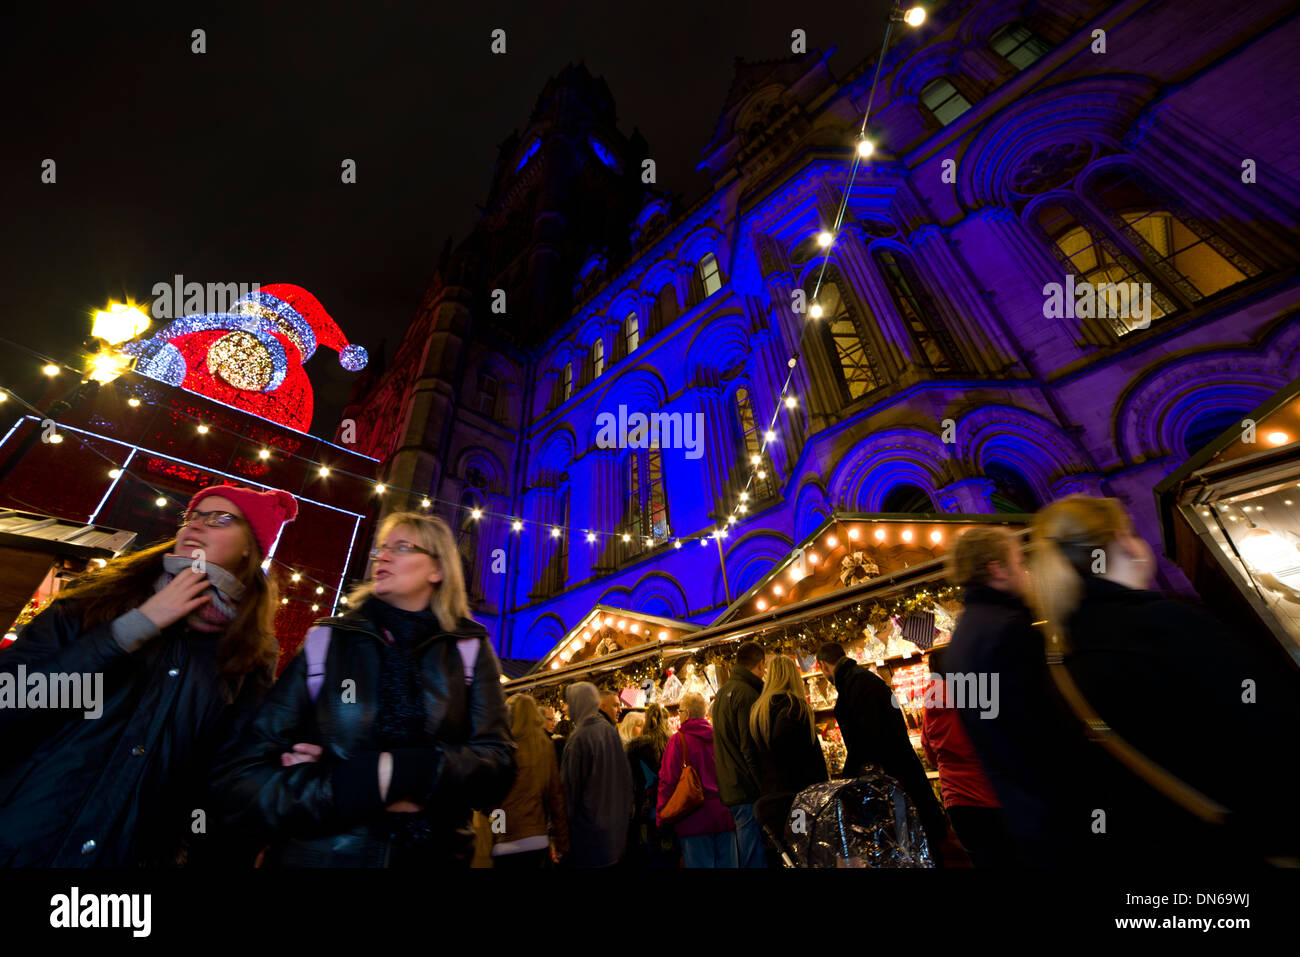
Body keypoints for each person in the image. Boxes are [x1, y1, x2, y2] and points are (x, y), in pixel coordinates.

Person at [0, 484, 294, 867]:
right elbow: (16, 700)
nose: (197, 525)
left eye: (221, 518)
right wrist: (135, 627)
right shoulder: (96, 601)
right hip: (22, 840)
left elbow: (219, 783)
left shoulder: (248, 656)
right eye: (193, 516)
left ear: (249, 548)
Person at [211, 511, 516, 867]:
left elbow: (498, 766)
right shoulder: (328, 640)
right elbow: (242, 778)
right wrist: (346, 786)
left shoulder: (469, 648)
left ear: (438, 569)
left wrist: (410, 771)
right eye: (380, 549)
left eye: (401, 547)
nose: (382, 556)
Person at [1029, 495, 1300, 864]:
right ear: (1124, 542)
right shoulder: (1168, 624)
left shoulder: (1064, 662)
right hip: (1253, 840)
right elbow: (1272, 730)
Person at [943, 525, 1090, 867]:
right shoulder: (1009, 628)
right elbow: (1046, 728)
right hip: (1058, 809)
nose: (1024, 571)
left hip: (1019, 812)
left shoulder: (960, 641)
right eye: (1017, 561)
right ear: (996, 568)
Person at [816, 642, 948, 854]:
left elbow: (864, 743)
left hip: (892, 782)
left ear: (822, 665)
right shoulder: (864, 680)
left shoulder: (852, 687)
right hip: (904, 774)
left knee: (911, 848)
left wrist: (846, 781)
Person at [920, 642, 1013, 868]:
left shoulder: (929, 705)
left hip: (957, 802)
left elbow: (929, 753)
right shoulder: (975, 694)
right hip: (990, 795)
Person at [489, 694, 569, 869]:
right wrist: (561, 842)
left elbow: (494, 802)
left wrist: (499, 832)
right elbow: (555, 797)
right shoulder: (544, 746)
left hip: (505, 843)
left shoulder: (502, 747)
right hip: (537, 838)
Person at [658, 693, 736, 867]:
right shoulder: (720, 738)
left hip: (693, 819)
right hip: (724, 816)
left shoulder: (678, 741)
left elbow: (668, 780)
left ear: (685, 713)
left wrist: (662, 814)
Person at [560, 681, 633, 868]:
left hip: (588, 839)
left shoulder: (579, 738)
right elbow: (626, 781)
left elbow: (569, 791)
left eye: (569, 703)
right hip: (615, 838)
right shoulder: (610, 732)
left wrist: (562, 834)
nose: (567, 709)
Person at [710, 640, 767, 868]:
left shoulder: (724, 692)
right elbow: (749, 746)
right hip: (747, 789)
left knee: (747, 849)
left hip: (731, 786)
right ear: (761, 664)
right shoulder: (746, 694)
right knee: (753, 854)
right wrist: (762, 785)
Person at [749, 655, 829, 797]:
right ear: (794, 677)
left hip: (771, 792)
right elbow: (809, 756)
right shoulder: (796, 707)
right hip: (799, 793)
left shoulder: (759, 710)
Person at [625, 702, 675, 868]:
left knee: (650, 853)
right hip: (671, 805)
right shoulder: (673, 742)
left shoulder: (635, 747)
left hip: (645, 807)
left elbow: (630, 780)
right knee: (671, 852)